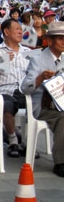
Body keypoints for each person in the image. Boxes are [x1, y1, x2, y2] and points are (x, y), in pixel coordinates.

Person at [20, 21, 64, 177]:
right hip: (44, 106)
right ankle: (60, 161)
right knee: (63, 117)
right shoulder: (38, 60)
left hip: (61, 102)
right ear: (50, 40)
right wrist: (40, 77)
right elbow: (25, 88)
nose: (63, 42)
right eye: (60, 38)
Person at [0, 19, 32, 158]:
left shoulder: (27, 51)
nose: (20, 32)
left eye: (21, 29)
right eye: (17, 29)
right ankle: (13, 140)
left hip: (25, 90)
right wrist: (2, 61)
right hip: (4, 90)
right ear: (6, 32)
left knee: (36, 104)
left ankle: (29, 142)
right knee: (7, 106)